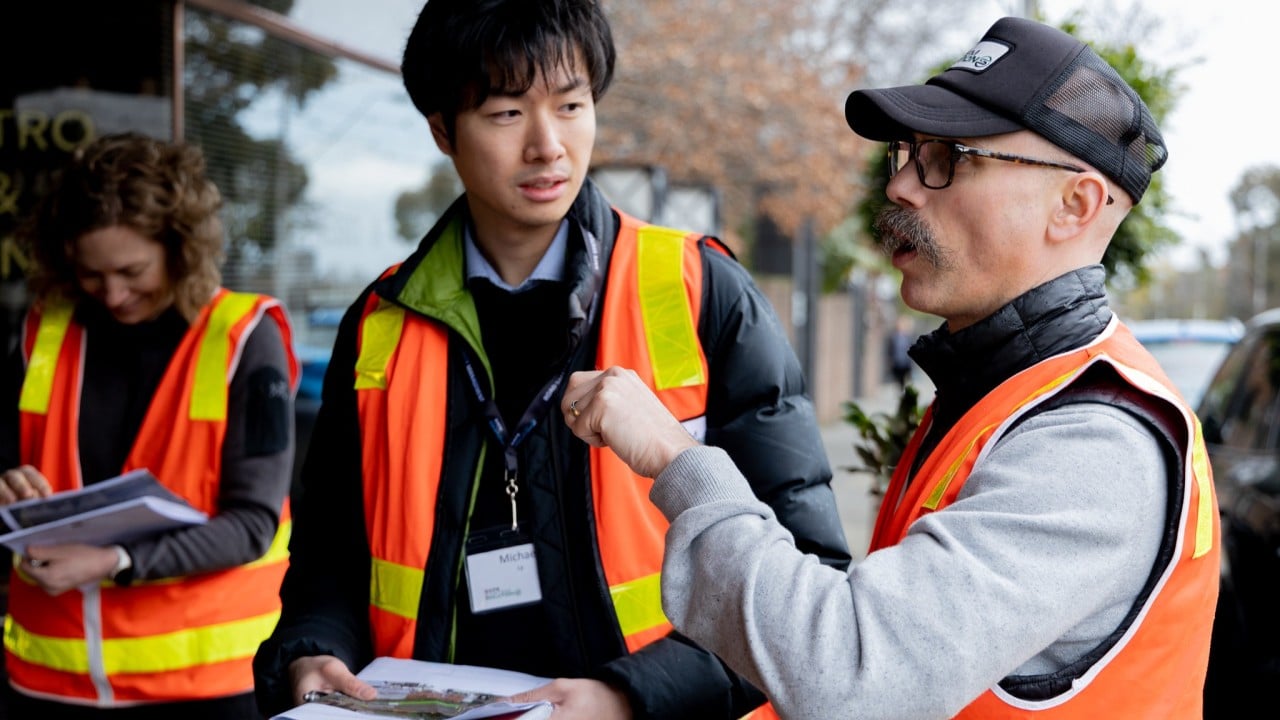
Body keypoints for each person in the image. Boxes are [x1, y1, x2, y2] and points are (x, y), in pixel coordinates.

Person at [557, 16, 1219, 719]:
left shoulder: (1096, 443)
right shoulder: (995, 391)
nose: (901, 184)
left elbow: (847, 674)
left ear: (1074, 205)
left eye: (948, 157)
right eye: (909, 152)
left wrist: (673, 456)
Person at [250, 1, 851, 719]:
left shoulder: (699, 291)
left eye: (571, 105)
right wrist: (314, 648)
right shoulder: (383, 318)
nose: (548, 146)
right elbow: (331, 559)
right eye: (506, 114)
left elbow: (806, 577)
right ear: (443, 130)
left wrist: (632, 697)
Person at [0, 132, 298, 718]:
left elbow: (252, 524)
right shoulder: (45, 333)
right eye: (90, 274)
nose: (112, 293)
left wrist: (115, 560)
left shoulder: (243, 337)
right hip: (49, 684)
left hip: (205, 690)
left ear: (180, 247)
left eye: (132, 270)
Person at [886, 315, 913, 391]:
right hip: (897, 361)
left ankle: (904, 390)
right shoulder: (893, 337)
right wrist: (890, 359)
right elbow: (890, 349)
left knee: (905, 378)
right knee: (898, 378)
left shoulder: (908, 337)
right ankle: (900, 390)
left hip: (905, 361)